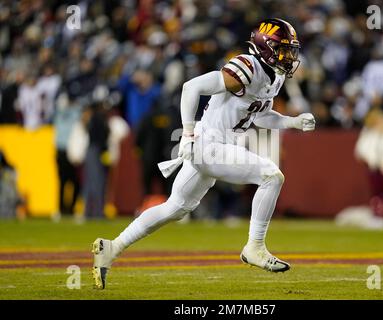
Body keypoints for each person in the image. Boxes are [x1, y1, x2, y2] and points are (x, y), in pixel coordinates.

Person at [92, 19, 316, 289]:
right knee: (271, 176)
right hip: (209, 146)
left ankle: (112, 248)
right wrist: (186, 135)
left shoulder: (275, 75)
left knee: (175, 208)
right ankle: (255, 247)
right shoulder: (247, 67)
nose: (289, 57)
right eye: (283, 49)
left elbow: (262, 115)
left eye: (291, 51)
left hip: (216, 147)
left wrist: (292, 122)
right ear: (266, 46)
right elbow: (191, 87)